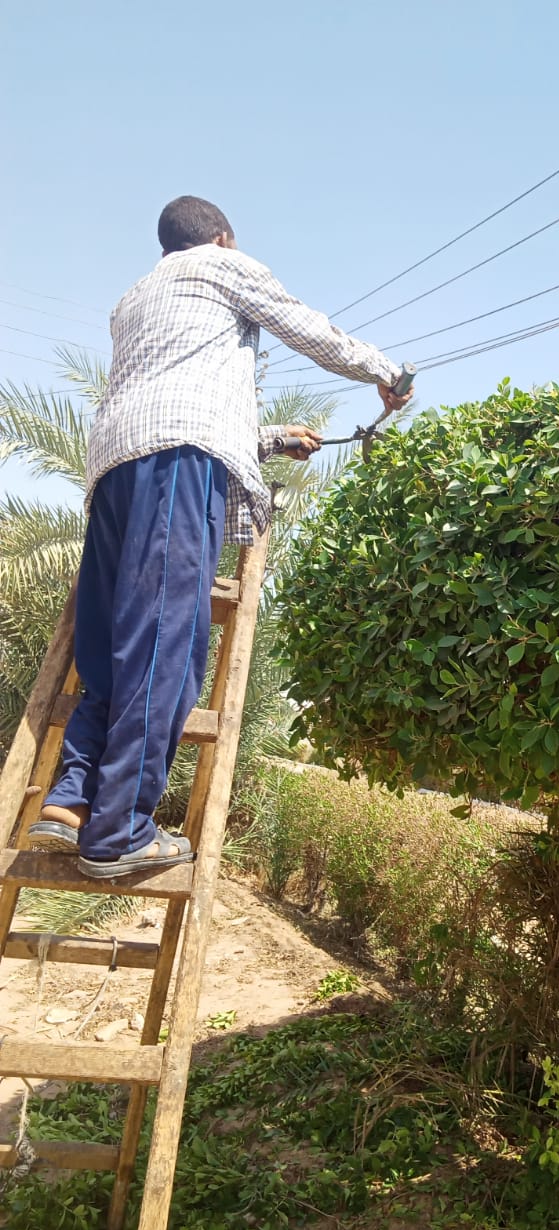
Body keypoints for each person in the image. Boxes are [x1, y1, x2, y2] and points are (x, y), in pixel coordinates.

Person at [27, 195, 413, 878]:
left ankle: (69, 802)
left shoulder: (133, 298)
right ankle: (117, 834)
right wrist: (385, 372)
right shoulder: (221, 267)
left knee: (112, 657)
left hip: (116, 471)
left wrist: (270, 439)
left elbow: (177, 394)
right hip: (178, 461)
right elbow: (302, 324)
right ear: (222, 238)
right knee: (164, 646)